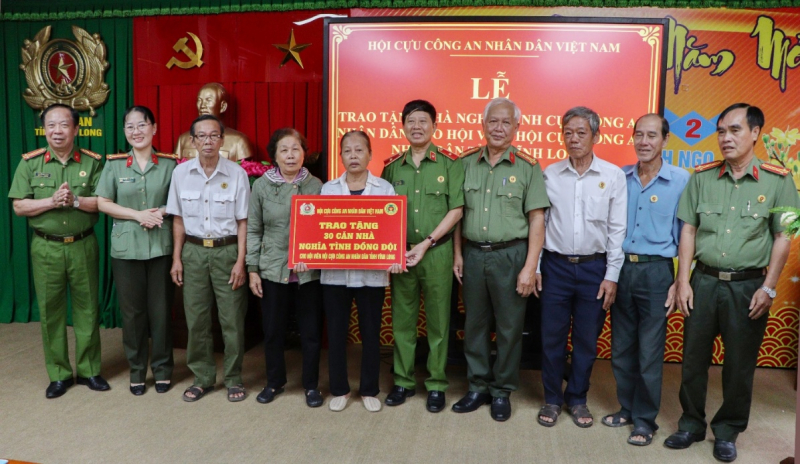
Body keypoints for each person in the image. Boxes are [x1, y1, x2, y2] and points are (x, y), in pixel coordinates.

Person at [665, 103, 799, 462]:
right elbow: (688, 229)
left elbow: (784, 236)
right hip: (703, 282)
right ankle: (690, 424)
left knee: (739, 365)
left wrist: (769, 287)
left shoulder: (779, 181)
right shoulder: (703, 177)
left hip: (748, 286)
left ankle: (728, 431)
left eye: (734, 130)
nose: (725, 138)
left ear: (755, 133)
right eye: (721, 131)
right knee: (693, 360)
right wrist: (683, 280)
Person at [451, 97, 549, 421]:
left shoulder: (528, 166)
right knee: (474, 324)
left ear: (517, 127)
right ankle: (477, 386)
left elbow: (537, 218)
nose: (499, 127)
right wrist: (457, 254)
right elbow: (456, 213)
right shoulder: (464, 163)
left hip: (512, 256)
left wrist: (530, 267)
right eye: (493, 121)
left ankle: (502, 390)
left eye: (506, 122)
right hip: (474, 254)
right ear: (483, 124)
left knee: (509, 328)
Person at [8, 103, 109, 398]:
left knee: (88, 309)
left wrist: (76, 199)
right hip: (46, 248)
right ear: (44, 130)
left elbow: (102, 202)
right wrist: (52, 201)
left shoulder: (92, 162)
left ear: (76, 129)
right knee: (51, 312)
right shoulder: (30, 163)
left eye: (64, 125)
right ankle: (59, 374)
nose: (57, 131)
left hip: (83, 245)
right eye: (51, 125)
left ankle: (90, 370)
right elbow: (18, 206)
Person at [535, 106, 627, 428]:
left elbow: (617, 231)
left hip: (594, 269)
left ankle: (577, 398)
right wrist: (534, 267)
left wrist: (611, 275)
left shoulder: (613, 176)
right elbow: (540, 224)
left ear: (596, 136)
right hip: (555, 267)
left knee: (587, 340)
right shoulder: (550, 175)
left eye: (581, 133)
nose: (573, 139)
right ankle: (551, 398)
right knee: (552, 338)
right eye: (568, 133)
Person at [602, 114, 689, 445]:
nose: (644, 141)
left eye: (652, 135)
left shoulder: (681, 180)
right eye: (638, 134)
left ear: (665, 140)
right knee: (621, 347)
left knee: (649, 351)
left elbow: (686, 236)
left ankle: (644, 420)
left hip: (657, 272)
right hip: (623, 268)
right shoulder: (620, 177)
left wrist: (680, 279)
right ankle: (626, 407)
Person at [380, 100, 465, 412]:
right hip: (401, 256)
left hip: (436, 255)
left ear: (434, 126)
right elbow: (381, 214)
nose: (416, 126)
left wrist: (427, 243)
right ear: (402, 126)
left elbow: (457, 210)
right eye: (411, 121)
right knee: (402, 321)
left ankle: (437, 384)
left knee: (439, 323)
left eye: (423, 121)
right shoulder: (391, 168)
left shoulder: (450, 164)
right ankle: (402, 381)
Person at [166, 114, 250, 403]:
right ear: (193, 141)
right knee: (197, 318)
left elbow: (243, 222)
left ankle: (234, 378)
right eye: (202, 136)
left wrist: (241, 261)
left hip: (227, 252)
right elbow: (177, 219)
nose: (208, 141)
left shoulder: (237, 174)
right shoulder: (181, 174)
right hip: (193, 251)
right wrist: (177, 259)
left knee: (232, 320)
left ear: (223, 140)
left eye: (214, 135)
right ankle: (202, 377)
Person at [97, 106, 178, 396]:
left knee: (160, 313)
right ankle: (136, 371)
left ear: (154, 128)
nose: (136, 131)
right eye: (129, 127)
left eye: (142, 125)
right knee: (132, 315)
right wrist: (137, 215)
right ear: (124, 132)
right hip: (126, 249)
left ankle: (163, 369)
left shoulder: (170, 164)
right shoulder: (115, 165)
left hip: (160, 247)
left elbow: (181, 203)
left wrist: (163, 211)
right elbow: (103, 202)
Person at [321, 131, 401, 412]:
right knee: (337, 332)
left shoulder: (385, 189)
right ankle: (340, 390)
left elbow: (392, 229)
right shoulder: (328, 189)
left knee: (371, 332)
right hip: (334, 276)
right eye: (347, 151)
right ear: (340, 156)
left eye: (359, 150)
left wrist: (393, 255)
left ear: (369, 154)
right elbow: (319, 233)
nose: (353, 156)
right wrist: (306, 254)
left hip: (371, 276)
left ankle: (369, 389)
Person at [247, 128, 324, 408]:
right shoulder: (261, 186)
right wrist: (252, 268)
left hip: (309, 273)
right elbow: (254, 229)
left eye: (296, 149)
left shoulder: (317, 186)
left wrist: (313, 256)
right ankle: (274, 382)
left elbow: (325, 230)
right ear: (274, 155)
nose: (290, 155)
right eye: (284, 150)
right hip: (271, 269)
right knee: (273, 331)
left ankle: (311, 386)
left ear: (304, 153)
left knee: (311, 332)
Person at [174, 83, 253, 161]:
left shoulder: (239, 141)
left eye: (208, 100)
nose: (202, 105)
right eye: (199, 100)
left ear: (223, 106)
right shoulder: (183, 139)